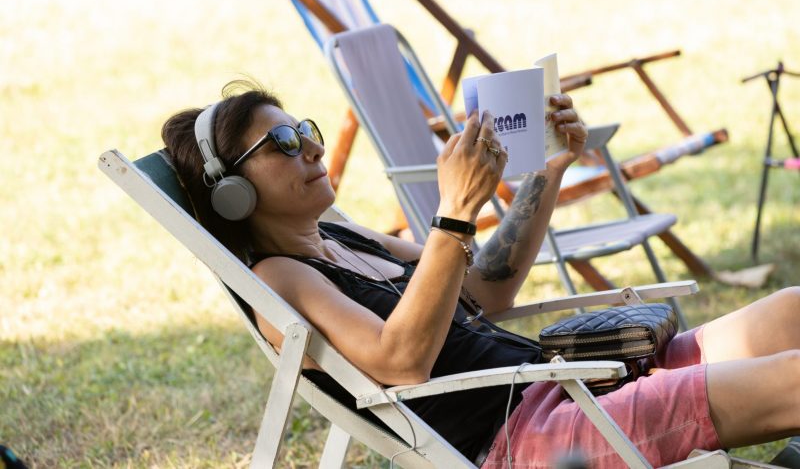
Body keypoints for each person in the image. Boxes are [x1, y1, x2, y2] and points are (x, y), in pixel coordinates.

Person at [161, 80, 800, 468]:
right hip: (534, 437)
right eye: (280, 144)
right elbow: (401, 359)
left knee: (792, 307)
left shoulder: (340, 236)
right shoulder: (280, 283)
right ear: (232, 194)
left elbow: (486, 289)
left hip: (576, 389)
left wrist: (548, 171)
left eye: (302, 129)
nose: (312, 147)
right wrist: (454, 213)